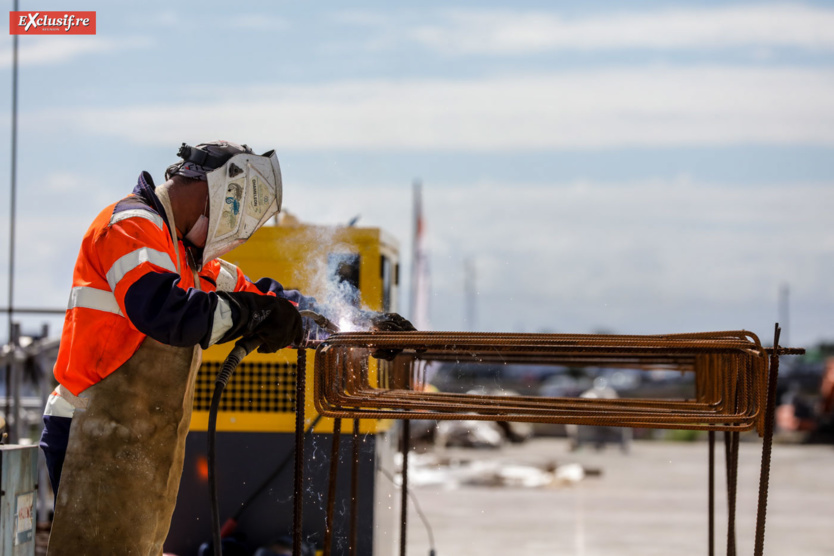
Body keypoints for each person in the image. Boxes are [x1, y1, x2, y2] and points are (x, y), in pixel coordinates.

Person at [39, 141, 413, 553]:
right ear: (213, 190)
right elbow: (168, 312)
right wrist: (255, 315)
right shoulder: (130, 227)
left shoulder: (184, 254)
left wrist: (358, 331)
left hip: (136, 436)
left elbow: (269, 301)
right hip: (91, 428)